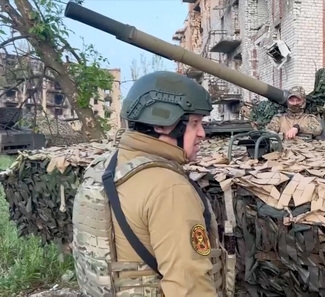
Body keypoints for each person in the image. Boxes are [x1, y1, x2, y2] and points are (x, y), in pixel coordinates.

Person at [71, 71, 224, 296]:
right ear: (162, 125)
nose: (202, 133)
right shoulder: (169, 188)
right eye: (194, 123)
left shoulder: (106, 166)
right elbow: (190, 287)